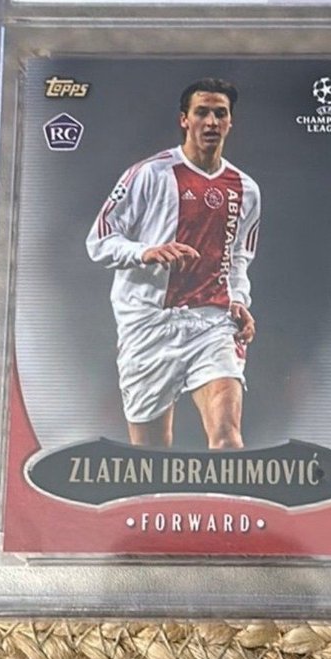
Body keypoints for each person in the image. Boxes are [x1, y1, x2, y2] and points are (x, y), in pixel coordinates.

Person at [86, 78, 261, 450]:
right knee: (151, 454)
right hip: (149, 324)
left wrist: (238, 300)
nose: (211, 122)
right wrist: (144, 252)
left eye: (220, 114)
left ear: (230, 122)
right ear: (184, 119)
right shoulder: (149, 174)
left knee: (228, 441)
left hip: (211, 322)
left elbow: (238, 258)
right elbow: (98, 241)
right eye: (202, 113)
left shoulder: (246, 189)